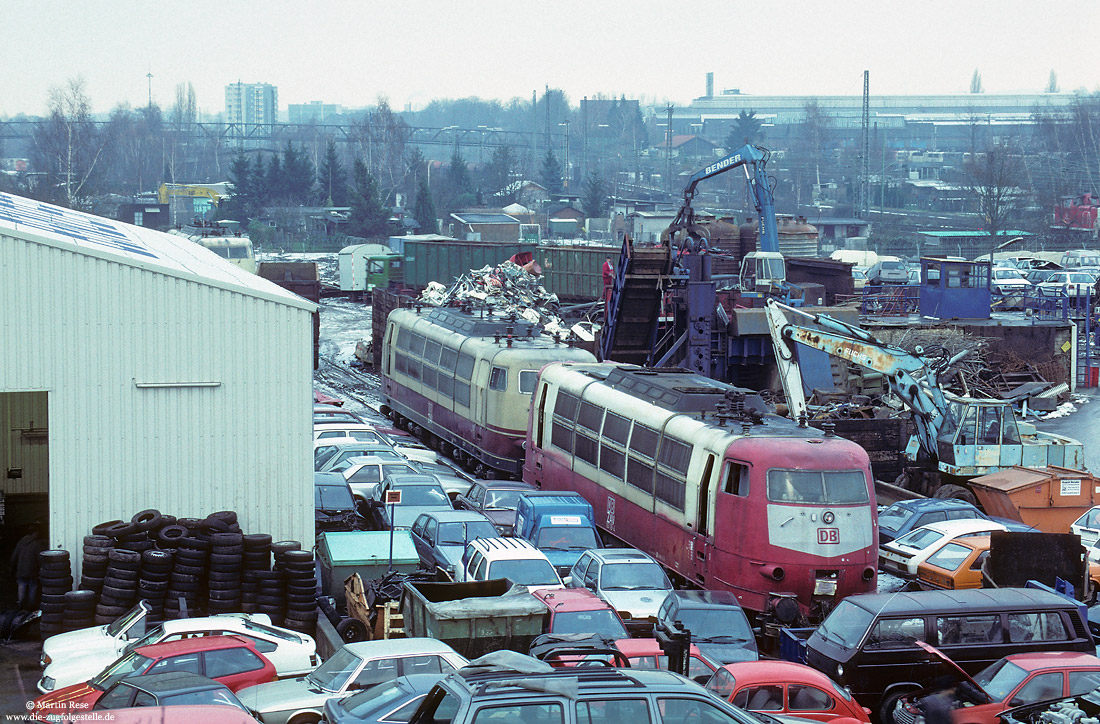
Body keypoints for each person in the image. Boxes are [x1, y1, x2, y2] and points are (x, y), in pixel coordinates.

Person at [11, 523, 45, 610]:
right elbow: (40, 559)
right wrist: (42, 570)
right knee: (32, 587)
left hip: (21, 571)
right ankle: (31, 606)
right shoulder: (37, 544)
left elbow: (14, 556)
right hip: (32, 571)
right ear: (35, 532)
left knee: (21, 587)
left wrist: (13, 568)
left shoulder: (21, 542)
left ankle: (21, 605)